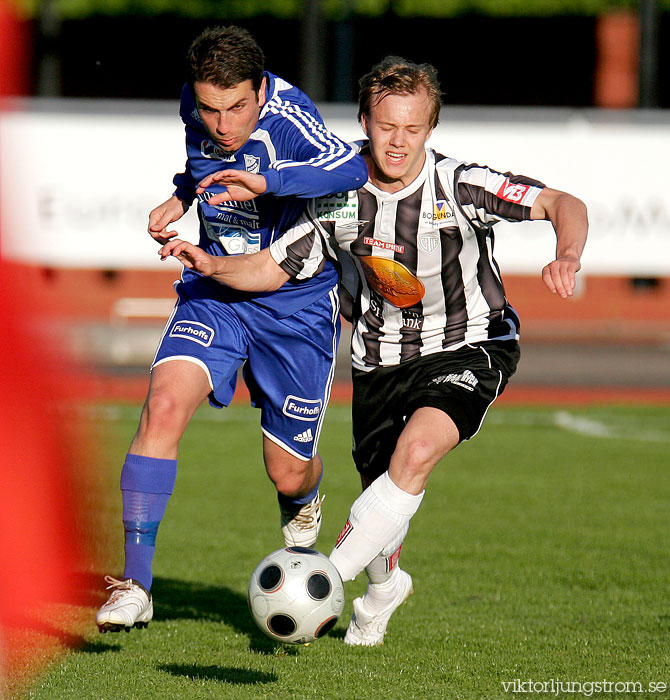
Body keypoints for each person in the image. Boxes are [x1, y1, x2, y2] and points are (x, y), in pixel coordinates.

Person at [158, 56, 588, 646]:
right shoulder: (337, 195)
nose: (398, 142)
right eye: (387, 127)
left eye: (413, 129)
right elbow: (273, 267)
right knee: (383, 497)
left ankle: (322, 580)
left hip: (469, 344)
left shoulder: (459, 184)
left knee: (413, 458)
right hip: (378, 359)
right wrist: (211, 264)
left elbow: (565, 203)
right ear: (364, 120)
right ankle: (384, 589)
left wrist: (566, 254)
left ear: (430, 129)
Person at [95, 26, 367, 633]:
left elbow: (350, 166)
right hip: (215, 295)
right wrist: (181, 195)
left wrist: (266, 182)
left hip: (295, 305)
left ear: (261, 89)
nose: (222, 123)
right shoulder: (197, 105)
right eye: (211, 109)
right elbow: (200, 162)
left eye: (237, 107)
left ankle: (303, 499)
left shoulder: (291, 118)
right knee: (161, 407)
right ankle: (136, 585)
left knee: (287, 470)